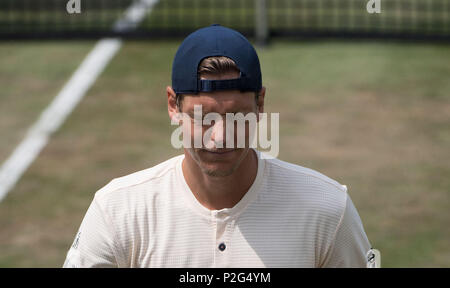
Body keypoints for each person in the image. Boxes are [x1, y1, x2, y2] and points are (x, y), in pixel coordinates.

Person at [63, 24, 372, 268]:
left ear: (260, 103)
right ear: (173, 105)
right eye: (204, 117)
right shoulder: (116, 212)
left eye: (236, 115)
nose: (221, 137)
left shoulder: (329, 210)